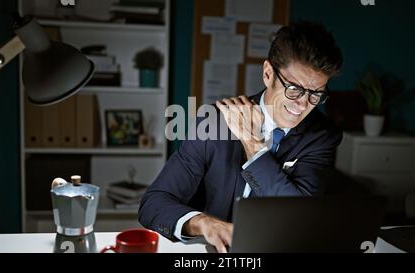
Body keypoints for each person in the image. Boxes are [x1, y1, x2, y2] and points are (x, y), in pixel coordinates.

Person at [139, 21, 343, 253]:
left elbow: (300, 217)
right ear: (268, 73)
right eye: (294, 89)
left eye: (316, 93)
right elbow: (153, 203)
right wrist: (204, 223)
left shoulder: (321, 135)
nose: (303, 104)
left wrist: (253, 144)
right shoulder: (214, 121)